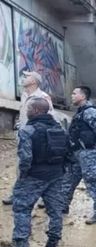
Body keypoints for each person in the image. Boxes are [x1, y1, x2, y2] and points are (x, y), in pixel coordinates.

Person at [0, 97, 68, 247]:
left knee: (22, 210)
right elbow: (68, 153)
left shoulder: (27, 130)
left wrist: (23, 176)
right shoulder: (60, 129)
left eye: (28, 109)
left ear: (36, 111)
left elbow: (25, 158)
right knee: (55, 211)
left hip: (34, 176)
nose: (27, 111)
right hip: (56, 175)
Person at [2, 71, 54, 206]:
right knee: (21, 166)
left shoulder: (43, 97)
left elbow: (51, 119)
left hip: (37, 140)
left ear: (34, 81)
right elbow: (23, 115)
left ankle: (45, 197)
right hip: (24, 138)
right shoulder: (25, 95)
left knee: (39, 167)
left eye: (27, 76)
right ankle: (17, 194)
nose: (23, 78)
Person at [62, 86, 96, 225]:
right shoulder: (80, 112)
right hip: (76, 153)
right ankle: (62, 207)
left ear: (83, 96)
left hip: (89, 153)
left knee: (93, 181)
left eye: (74, 93)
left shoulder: (90, 112)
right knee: (68, 180)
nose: (72, 95)